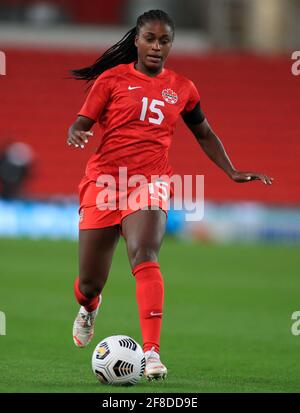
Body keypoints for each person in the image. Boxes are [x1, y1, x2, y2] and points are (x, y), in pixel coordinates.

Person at [67, 9, 273, 381]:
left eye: (165, 41)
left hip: (151, 182)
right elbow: (82, 122)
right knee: (89, 283)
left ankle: (151, 354)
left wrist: (232, 170)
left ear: (171, 44)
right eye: (150, 39)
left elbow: (205, 134)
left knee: (144, 255)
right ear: (137, 40)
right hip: (104, 183)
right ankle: (89, 307)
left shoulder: (183, 88)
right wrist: (76, 132)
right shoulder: (111, 80)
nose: (157, 47)